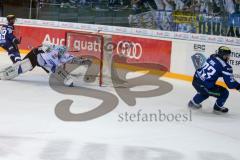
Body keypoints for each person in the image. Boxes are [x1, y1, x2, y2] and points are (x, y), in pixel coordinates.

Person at [0, 44, 92, 87]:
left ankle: (67, 80)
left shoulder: (64, 55)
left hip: (46, 64)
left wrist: (82, 61)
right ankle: (6, 73)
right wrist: (41, 48)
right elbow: (40, 47)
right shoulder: (52, 50)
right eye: (59, 53)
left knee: (55, 69)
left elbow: (72, 59)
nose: (59, 55)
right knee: (24, 67)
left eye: (61, 53)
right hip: (36, 57)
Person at [188, 46, 240, 114]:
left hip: (195, 80)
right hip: (205, 86)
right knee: (224, 93)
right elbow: (230, 84)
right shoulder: (226, 67)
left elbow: (216, 69)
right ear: (223, 56)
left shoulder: (213, 56)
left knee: (204, 92)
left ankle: (192, 103)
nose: (228, 57)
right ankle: (217, 108)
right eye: (227, 55)